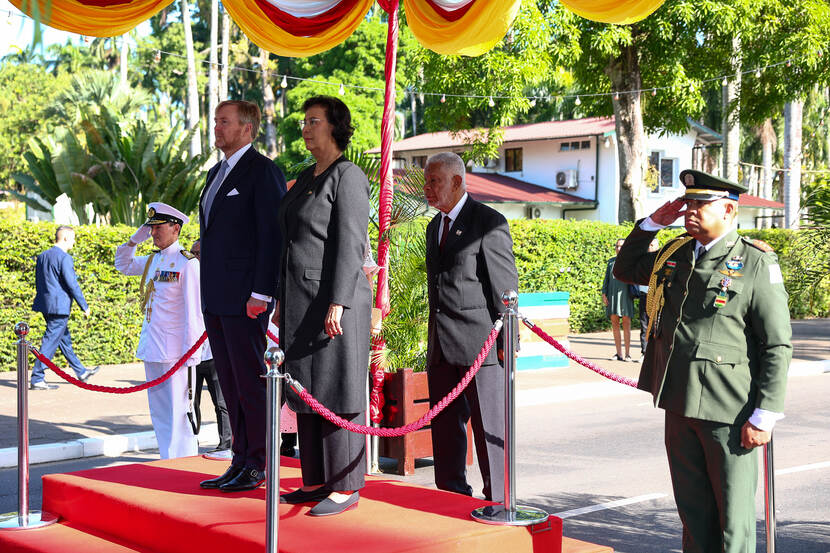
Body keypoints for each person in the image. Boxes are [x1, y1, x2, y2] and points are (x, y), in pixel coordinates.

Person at [613, 169, 792, 553]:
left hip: (729, 411)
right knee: (693, 517)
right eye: (688, 203)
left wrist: (765, 415)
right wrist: (651, 224)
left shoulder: (755, 262)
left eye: (701, 204)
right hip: (679, 401)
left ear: (728, 210)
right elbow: (624, 269)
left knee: (732, 523)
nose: (690, 211)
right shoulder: (675, 254)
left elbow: (777, 344)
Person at [275, 96, 371, 517]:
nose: (305, 128)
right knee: (307, 389)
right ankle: (315, 480)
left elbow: (351, 244)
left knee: (336, 389)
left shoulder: (347, 175)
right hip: (301, 301)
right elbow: (291, 242)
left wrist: (339, 301)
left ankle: (345, 485)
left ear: (335, 126)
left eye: (313, 121)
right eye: (304, 121)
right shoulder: (306, 176)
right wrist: (281, 297)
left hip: (334, 301)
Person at [197, 100, 286, 492]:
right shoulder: (216, 173)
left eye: (224, 121)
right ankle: (240, 459)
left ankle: (258, 463)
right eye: (216, 121)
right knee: (230, 382)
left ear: (247, 128)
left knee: (250, 382)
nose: (217, 127)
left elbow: (272, 236)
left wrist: (262, 293)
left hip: (247, 297)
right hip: (216, 295)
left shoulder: (262, 171)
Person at [423, 152, 519, 503]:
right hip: (442, 345)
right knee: (445, 429)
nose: (427, 188)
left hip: (482, 346)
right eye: (426, 181)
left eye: (434, 181)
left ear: (457, 181)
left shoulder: (488, 222)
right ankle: (452, 496)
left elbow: (505, 288)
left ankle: (499, 501)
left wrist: (509, 341)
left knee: (490, 427)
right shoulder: (434, 227)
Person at [115, 203, 204, 459]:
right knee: (160, 412)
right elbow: (122, 264)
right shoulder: (154, 260)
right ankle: (168, 458)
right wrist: (134, 240)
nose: (153, 233)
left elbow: (194, 313)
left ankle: (182, 460)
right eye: (151, 228)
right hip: (153, 347)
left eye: (158, 228)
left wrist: (192, 355)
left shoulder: (187, 264)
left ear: (176, 228)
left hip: (177, 353)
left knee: (179, 412)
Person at [30, 226, 99, 390]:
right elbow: (72, 284)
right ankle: (37, 378)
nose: (74, 242)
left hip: (46, 305)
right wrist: (84, 306)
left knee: (63, 339)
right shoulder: (65, 258)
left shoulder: (42, 256)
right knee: (50, 341)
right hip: (59, 307)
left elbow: (39, 281)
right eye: (73, 238)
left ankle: (81, 372)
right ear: (66, 238)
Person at [188, 240, 231, 454]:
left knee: (222, 402)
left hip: (214, 353)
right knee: (191, 403)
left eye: (199, 253)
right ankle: (190, 442)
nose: (195, 257)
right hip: (191, 354)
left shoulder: (219, 279)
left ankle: (226, 443)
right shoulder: (186, 278)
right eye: (192, 253)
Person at [602, 239, 636, 361]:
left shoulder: (631, 261)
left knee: (626, 324)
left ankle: (627, 354)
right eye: (617, 246)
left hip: (626, 295)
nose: (618, 248)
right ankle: (618, 354)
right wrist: (604, 294)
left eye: (621, 246)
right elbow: (606, 279)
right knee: (615, 324)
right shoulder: (611, 262)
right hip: (612, 295)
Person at [634, 238, 661, 355]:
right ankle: (644, 352)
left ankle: (656, 352)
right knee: (644, 325)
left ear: (657, 246)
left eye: (652, 245)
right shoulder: (643, 260)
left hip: (657, 297)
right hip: (644, 296)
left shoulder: (661, 261)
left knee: (657, 325)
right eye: (649, 245)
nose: (650, 247)